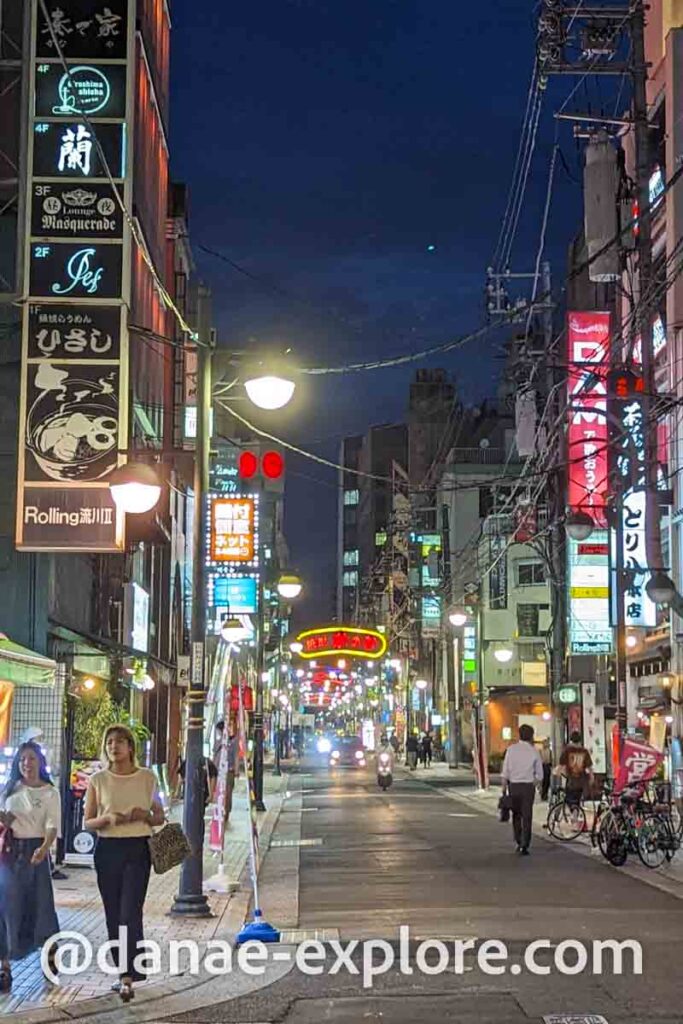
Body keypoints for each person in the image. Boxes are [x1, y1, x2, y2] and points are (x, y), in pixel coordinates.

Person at [84, 725, 164, 1003]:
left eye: (119, 742)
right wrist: (106, 820)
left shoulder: (147, 778)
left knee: (130, 911)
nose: (113, 747)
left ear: (131, 747)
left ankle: (129, 976)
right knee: (113, 913)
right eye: (109, 742)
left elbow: (159, 816)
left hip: (138, 848)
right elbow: (88, 821)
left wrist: (144, 814)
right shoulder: (98, 780)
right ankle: (123, 971)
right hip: (107, 850)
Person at [0, 741, 61, 992]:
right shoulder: (10, 789)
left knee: (42, 906)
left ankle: (48, 956)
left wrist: (45, 847)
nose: (27, 763)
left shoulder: (49, 792)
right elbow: (5, 820)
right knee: (6, 908)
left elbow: (51, 825)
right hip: (9, 854)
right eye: (23, 759)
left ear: (40, 762)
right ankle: (4, 966)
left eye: (32, 758)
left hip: (36, 852)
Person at [501, 724, 543, 855]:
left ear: (519, 734)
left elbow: (505, 771)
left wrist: (504, 789)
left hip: (514, 786)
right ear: (531, 736)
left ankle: (518, 840)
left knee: (516, 815)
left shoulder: (511, 750)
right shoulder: (534, 751)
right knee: (527, 815)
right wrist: (534, 783)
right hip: (527, 787)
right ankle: (525, 844)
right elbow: (540, 775)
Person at [559, 731, 593, 807]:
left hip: (570, 780)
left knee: (569, 799)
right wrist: (591, 777)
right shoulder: (584, 751)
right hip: (581, 780)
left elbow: (561, 765)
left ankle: (573, 815)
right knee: (577, 800)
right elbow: (589, 767)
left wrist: (560, 773)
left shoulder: (567, 750)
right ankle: (575, 815)